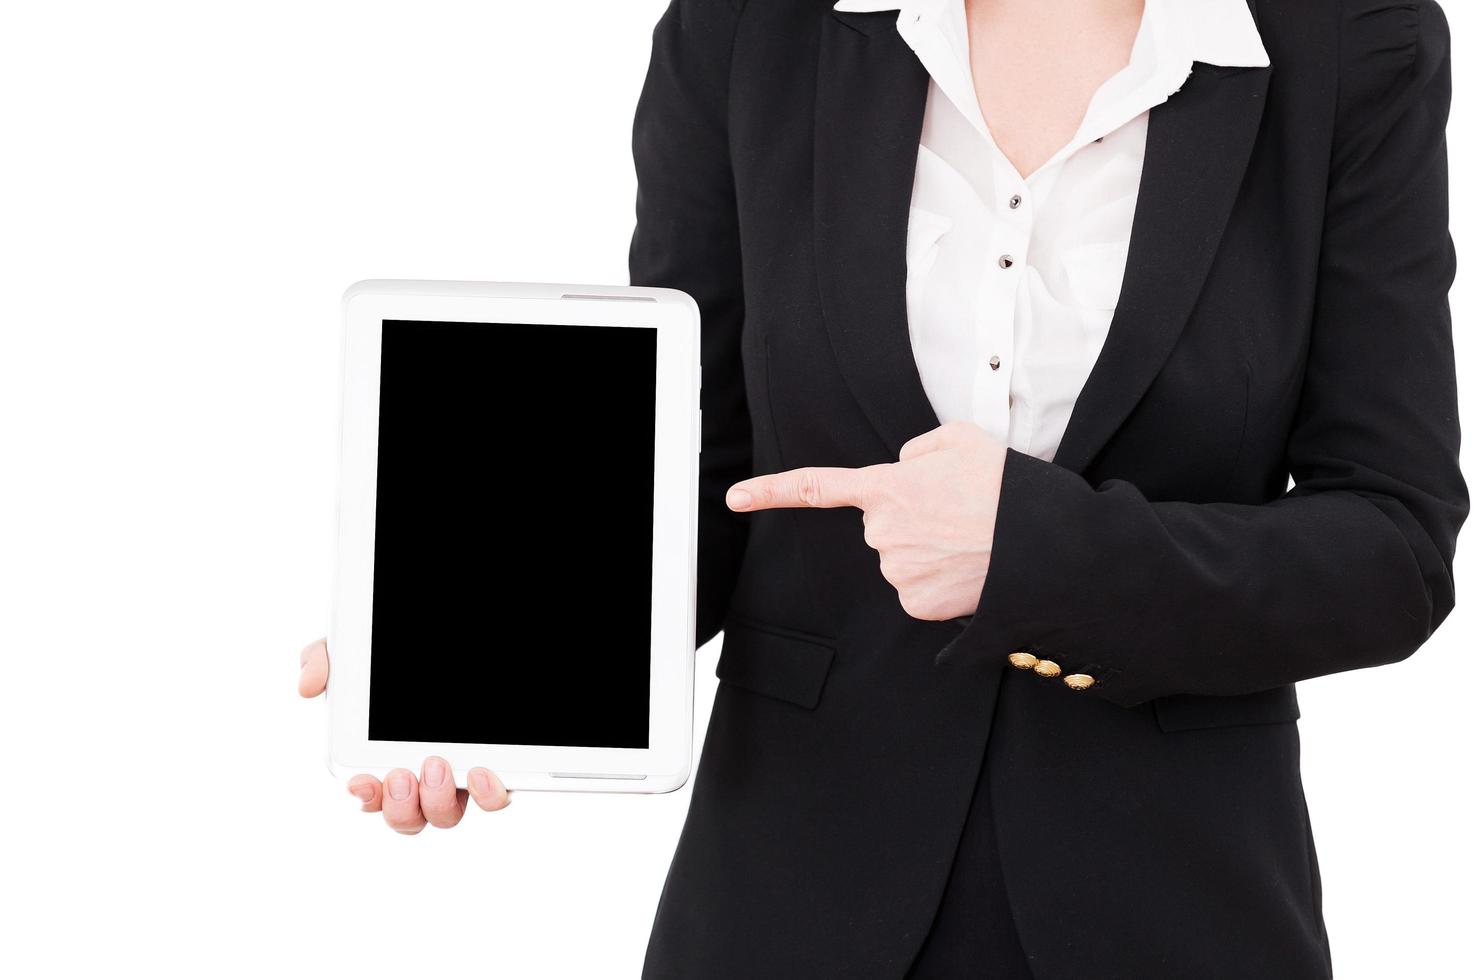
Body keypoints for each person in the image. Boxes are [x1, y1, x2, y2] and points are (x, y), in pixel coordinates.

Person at [298, 0, 1468, 975]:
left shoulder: (1348, 44)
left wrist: (1035, 549)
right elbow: (707, 477)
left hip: (1176, 908)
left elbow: (1392, 540)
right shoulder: (750, 27)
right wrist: (475, 656)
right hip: (791, 902)